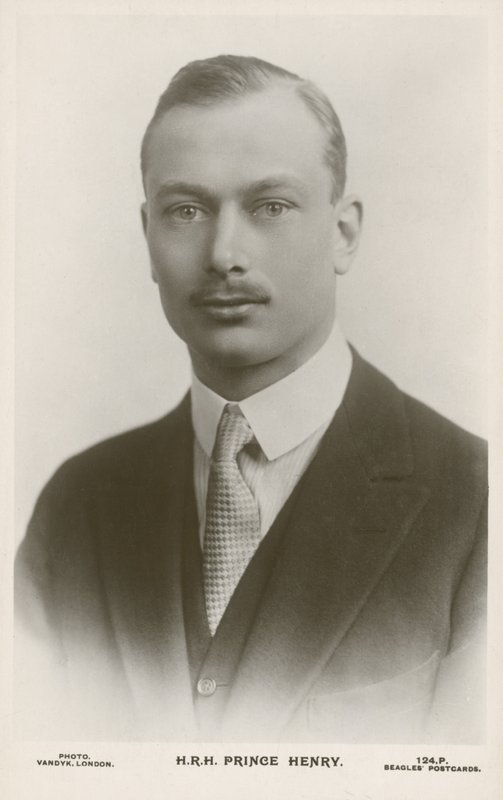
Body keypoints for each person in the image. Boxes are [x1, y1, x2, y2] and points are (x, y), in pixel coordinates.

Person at [15, 55, 487, 743]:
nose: (223, 254)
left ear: (343, 233)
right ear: (148, 238)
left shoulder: (476, 504)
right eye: (186, 210)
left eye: (270, 206)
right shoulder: (76, 506)